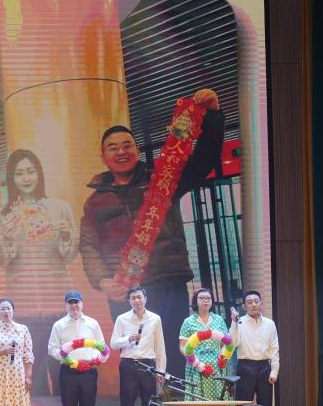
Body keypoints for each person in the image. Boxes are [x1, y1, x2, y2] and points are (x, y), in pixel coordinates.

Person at [80, 89, 225, 377]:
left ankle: (178, 403)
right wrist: (103, 280)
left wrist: (213, 116)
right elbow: (88, 246)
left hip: (167, 280)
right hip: (125, 290)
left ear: (136, 151)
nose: (121, 151)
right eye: (113, 147)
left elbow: (204, 160)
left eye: (127, 145)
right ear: (103, 155)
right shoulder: (95, 202)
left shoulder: (164, 180)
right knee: (137, 360)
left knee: (174, 352)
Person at [0, 149, 77, 397]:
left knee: (62, 365)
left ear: (39, 174)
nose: (26, 178)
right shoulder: (2, 216)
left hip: (57, 295)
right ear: (11, 179)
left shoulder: (60, 208)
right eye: (19, 173)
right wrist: (9, 239)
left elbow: (70, 254)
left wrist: (65, 236)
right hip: (24, 300)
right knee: (31, 367)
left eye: (30, 171)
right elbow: (2, 259)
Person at [109, 286, 166, 406]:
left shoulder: (155, 319)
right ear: (129, 301)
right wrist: (128, 339)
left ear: (145, 299)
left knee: (150, 405)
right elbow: (113, 343)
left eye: (139, 297)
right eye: (133, 298)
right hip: (128, 365)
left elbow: (160, 347)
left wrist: (161, 370)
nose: (137, 300)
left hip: (148, 365)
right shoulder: (122, 319)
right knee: (127, 405)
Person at [47, 291, 105, 406]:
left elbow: (101, 345)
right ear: (66, 305)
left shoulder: (92, 323)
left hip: (89, 371)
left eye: (76, 302)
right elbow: (52, 348)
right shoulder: (59, 325)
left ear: (82, 304)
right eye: (70, 303)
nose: (74, 306)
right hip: (69, 371)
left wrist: (94, 358)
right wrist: (65, 357)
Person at [179, 287, 231, 406]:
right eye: (201, 298)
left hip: (217, 367)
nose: (205, 301)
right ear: (196, 301)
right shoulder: (189, 321)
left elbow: (226, 342)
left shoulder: (219, 320)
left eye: (208, 298)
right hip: (197, 367)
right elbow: (183, 346)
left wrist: (223, 357)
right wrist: (196, 362)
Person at [230, 290, 279, 406]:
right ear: (244, 306)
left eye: (256, 301)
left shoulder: (270, 324)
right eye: (249, 302)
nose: (253, 304)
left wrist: (274, 370)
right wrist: (234, 323)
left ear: (261, 303)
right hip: (245, 366)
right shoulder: (239, 322)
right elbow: (232, 343)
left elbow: (274, 348)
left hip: (265, 367)